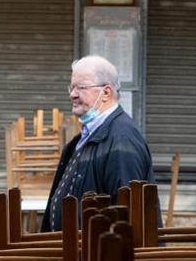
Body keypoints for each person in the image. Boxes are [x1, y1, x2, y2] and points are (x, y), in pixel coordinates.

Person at [41, 55, 158, 232]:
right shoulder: (91, 133)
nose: (73, 94)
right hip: (81, 254)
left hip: (101, 256)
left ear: (106, 92)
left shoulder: (122, 140)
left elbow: (126, 214)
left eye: (81, 87)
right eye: (72, 87)